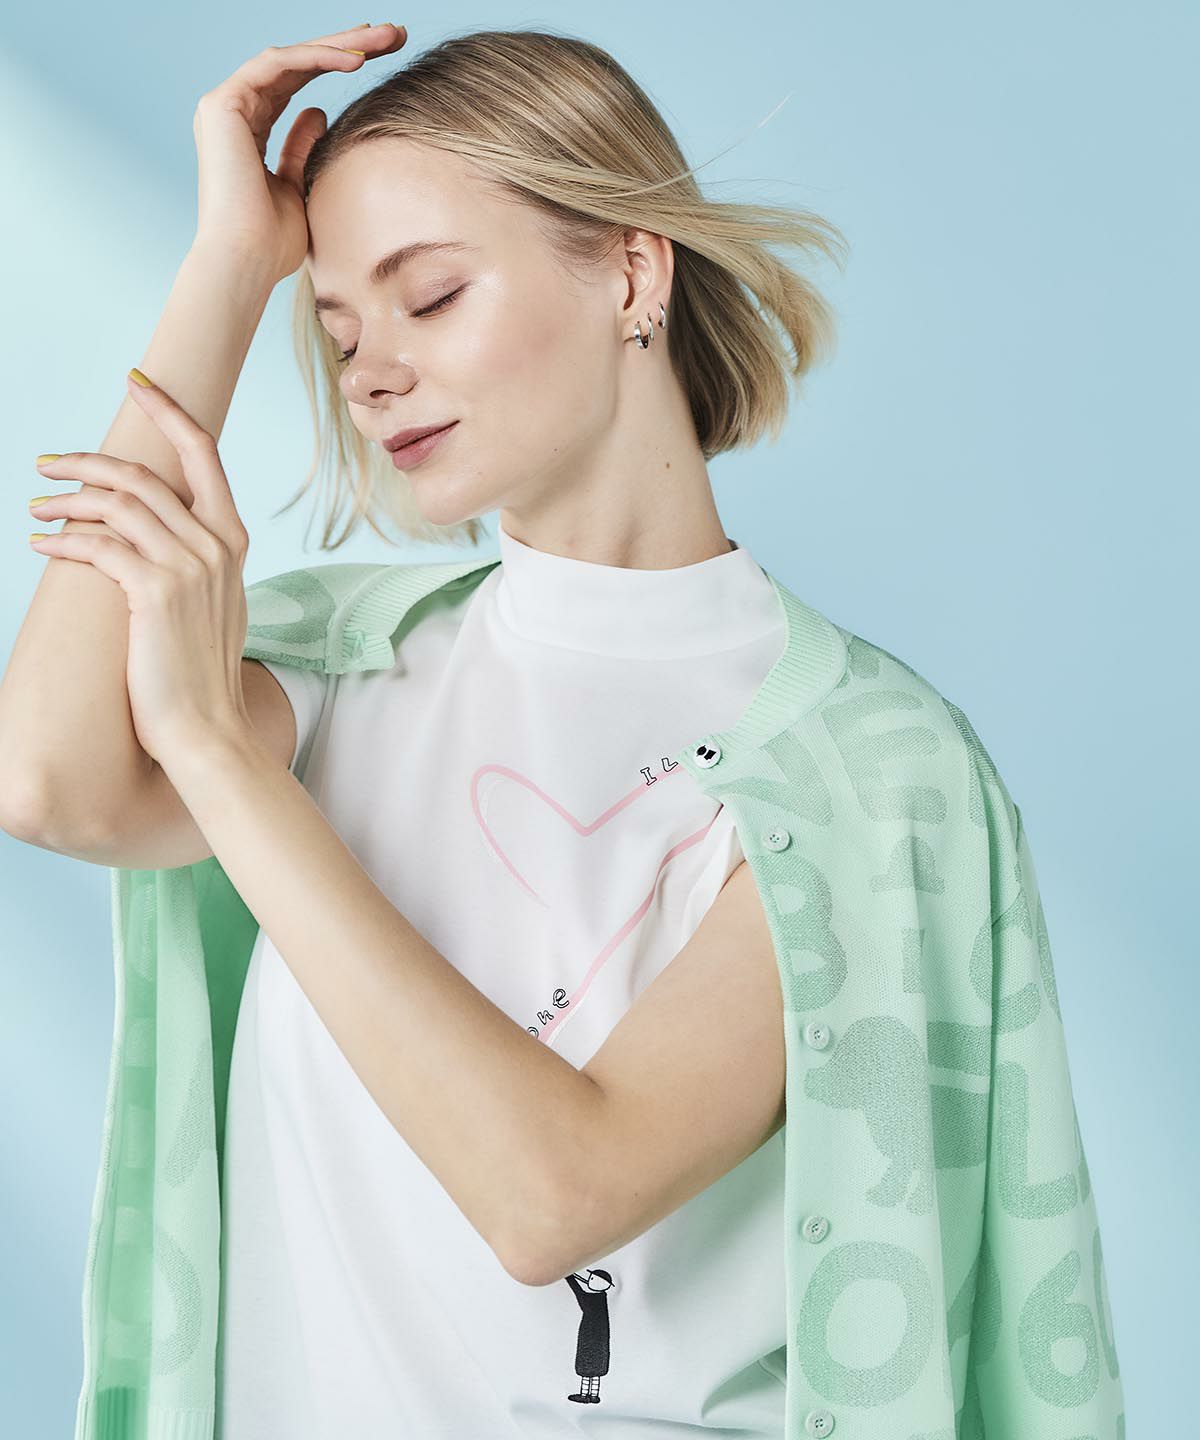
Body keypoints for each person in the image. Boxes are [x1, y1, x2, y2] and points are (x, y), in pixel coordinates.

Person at [0, 24, 1123, 1440]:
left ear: (632, 273)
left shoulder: (867, 772)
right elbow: (46, 781)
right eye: (338, 333)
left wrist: (221, 758)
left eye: (431, 297)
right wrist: (227, 268)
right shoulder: (343, 672)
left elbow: (554, 1198)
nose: (371, 373)